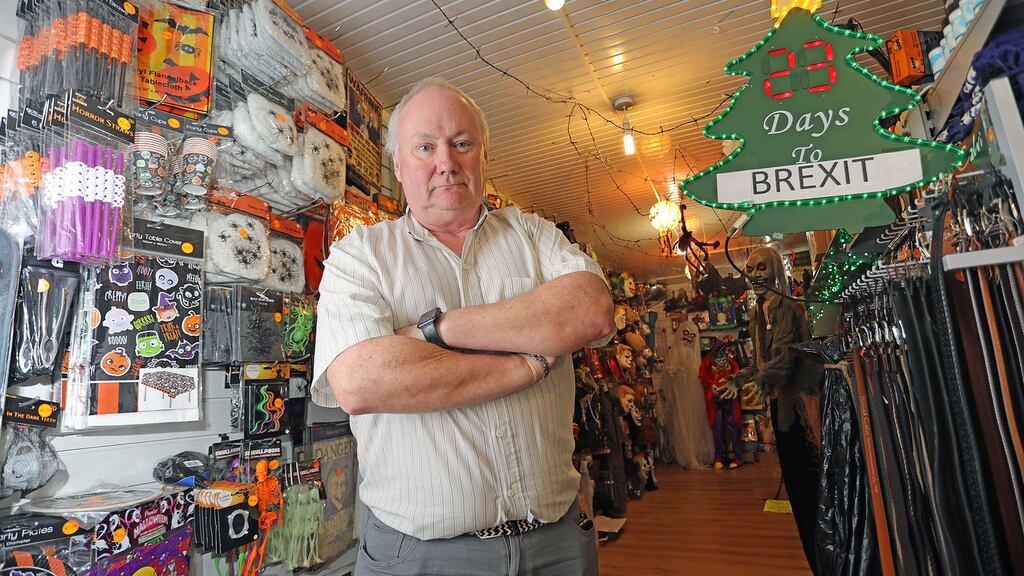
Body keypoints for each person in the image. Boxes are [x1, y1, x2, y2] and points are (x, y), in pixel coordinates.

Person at [311, 77, 615, 576]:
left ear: (484, 157)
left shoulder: (533, 234)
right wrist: (525, 364)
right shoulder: (360, 256)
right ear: (398, 167)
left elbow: (589, 312)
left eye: (462, 144)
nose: (446, 162)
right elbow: (362, 382)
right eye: (425, 147)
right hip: (420, 556)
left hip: (556, 544)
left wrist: (436, 329)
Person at [718, 246, 823, 572]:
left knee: (809, 490)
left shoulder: (787, 308)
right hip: (783, 409)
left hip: (800, 411)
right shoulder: (758, 312)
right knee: (796, 488)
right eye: (750, 270)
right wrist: (740, 378)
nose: (755, 276)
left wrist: (761, 381)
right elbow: (761, 361)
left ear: (775, 271)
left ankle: (825, 560)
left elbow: (784, 357)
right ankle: (818, 558)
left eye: (762, 268)